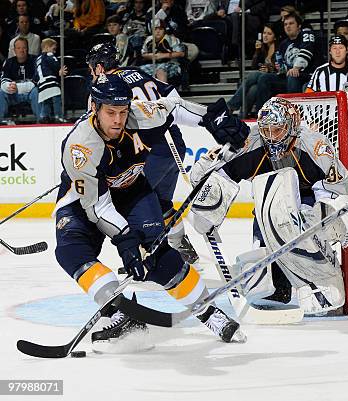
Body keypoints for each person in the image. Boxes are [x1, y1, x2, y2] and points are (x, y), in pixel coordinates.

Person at [54, 73, 249, 349]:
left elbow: (174, 107)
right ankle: (120, 313)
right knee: (71, 250)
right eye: (110, 112)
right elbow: (98, 207)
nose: (118, 120)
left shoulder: (140, 115)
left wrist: (213, 118)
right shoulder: (80, 147)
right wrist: (126, 242)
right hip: (85, 202)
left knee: (157, 256)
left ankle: (208, 313)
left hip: (133, 190)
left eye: (122, 112)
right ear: (94, 109)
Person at [188, 97, 348, 316]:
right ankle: (276, 285)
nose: (271, 137)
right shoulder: (252, 142)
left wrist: (332, 221)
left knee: (300, 228)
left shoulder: (314, 146)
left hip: (309, 199)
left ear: (292, 127)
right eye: (266, 130)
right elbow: (216, 175)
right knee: (266, 226)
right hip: (268, 202)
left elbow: (337, 189)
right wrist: (208, 203)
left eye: (277, 130)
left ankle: (322, 277)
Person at [86, 42, 199, 264]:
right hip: (174, 142)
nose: (91, 73)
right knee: (162, 202)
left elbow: (98, 132)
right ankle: (183, 248)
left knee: (134, 201)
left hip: (148, 148)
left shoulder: (103, 89)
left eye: (91, 67)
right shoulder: (137, 72)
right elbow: (174, 98)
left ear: (99, 67)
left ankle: (153, 257)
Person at [254, 12, 316, 112]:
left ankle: (294, 114)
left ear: (299, 26)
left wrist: (296, 67)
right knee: (265, 78)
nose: (288, 26)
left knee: (292, 76)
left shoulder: (306, 35)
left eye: (291, 23)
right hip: (289, 77)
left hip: (307, 75)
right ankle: (262, 113)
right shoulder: (283, 44)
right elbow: (282, 65)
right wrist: (280, 68)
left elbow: (306, 51)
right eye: (285, 24)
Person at [227, 23, 278, 118]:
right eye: (264, 33)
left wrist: (270, 69)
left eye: (269, 34)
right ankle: (242, 117)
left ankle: (231, 106)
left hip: (273, 80)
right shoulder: (263, 49)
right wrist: (257, 52)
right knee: (253, 88)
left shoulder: (279, 49)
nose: (265, 36)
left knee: (253, 75)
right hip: (261, 81)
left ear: (275, 37)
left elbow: (279, 68)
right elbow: (254, 66)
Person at [0, 37, 38, 124]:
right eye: (18, 48)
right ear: (14, 50)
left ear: (28, 49)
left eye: (24, 47)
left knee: (36, 91)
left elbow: (36, 80)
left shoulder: (35, 60)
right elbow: (4, 80)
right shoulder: (8, 62)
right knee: (2, 92)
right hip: (14, 94)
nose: (21, 50)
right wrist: (9, 87)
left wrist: (18, 87)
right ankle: (2, 122)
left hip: (30, 93)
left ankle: (40, 120)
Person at [141, 19, 185, 83]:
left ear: (164, 30)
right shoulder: (149, 39)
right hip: (153, 65)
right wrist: (151, 56)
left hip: (172, 64)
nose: (158, 31)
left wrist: (162, 56)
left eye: (160, 29)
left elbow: (181, 53)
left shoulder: (171, 39)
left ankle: (164, 92)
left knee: (160, 70)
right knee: (137, 71)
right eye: (155, 29)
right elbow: (143, 54)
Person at [35, 37, 66, 123]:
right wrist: (59, 70)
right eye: (54, 49)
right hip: (50, 81)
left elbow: (35, 75)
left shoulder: (37, 59)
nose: (54, 52)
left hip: (41, 84)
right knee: (56, 99)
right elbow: (54, 63)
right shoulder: (49, 55)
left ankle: (44, 116)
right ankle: (58, 116)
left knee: (46, 101)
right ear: (47, 47)